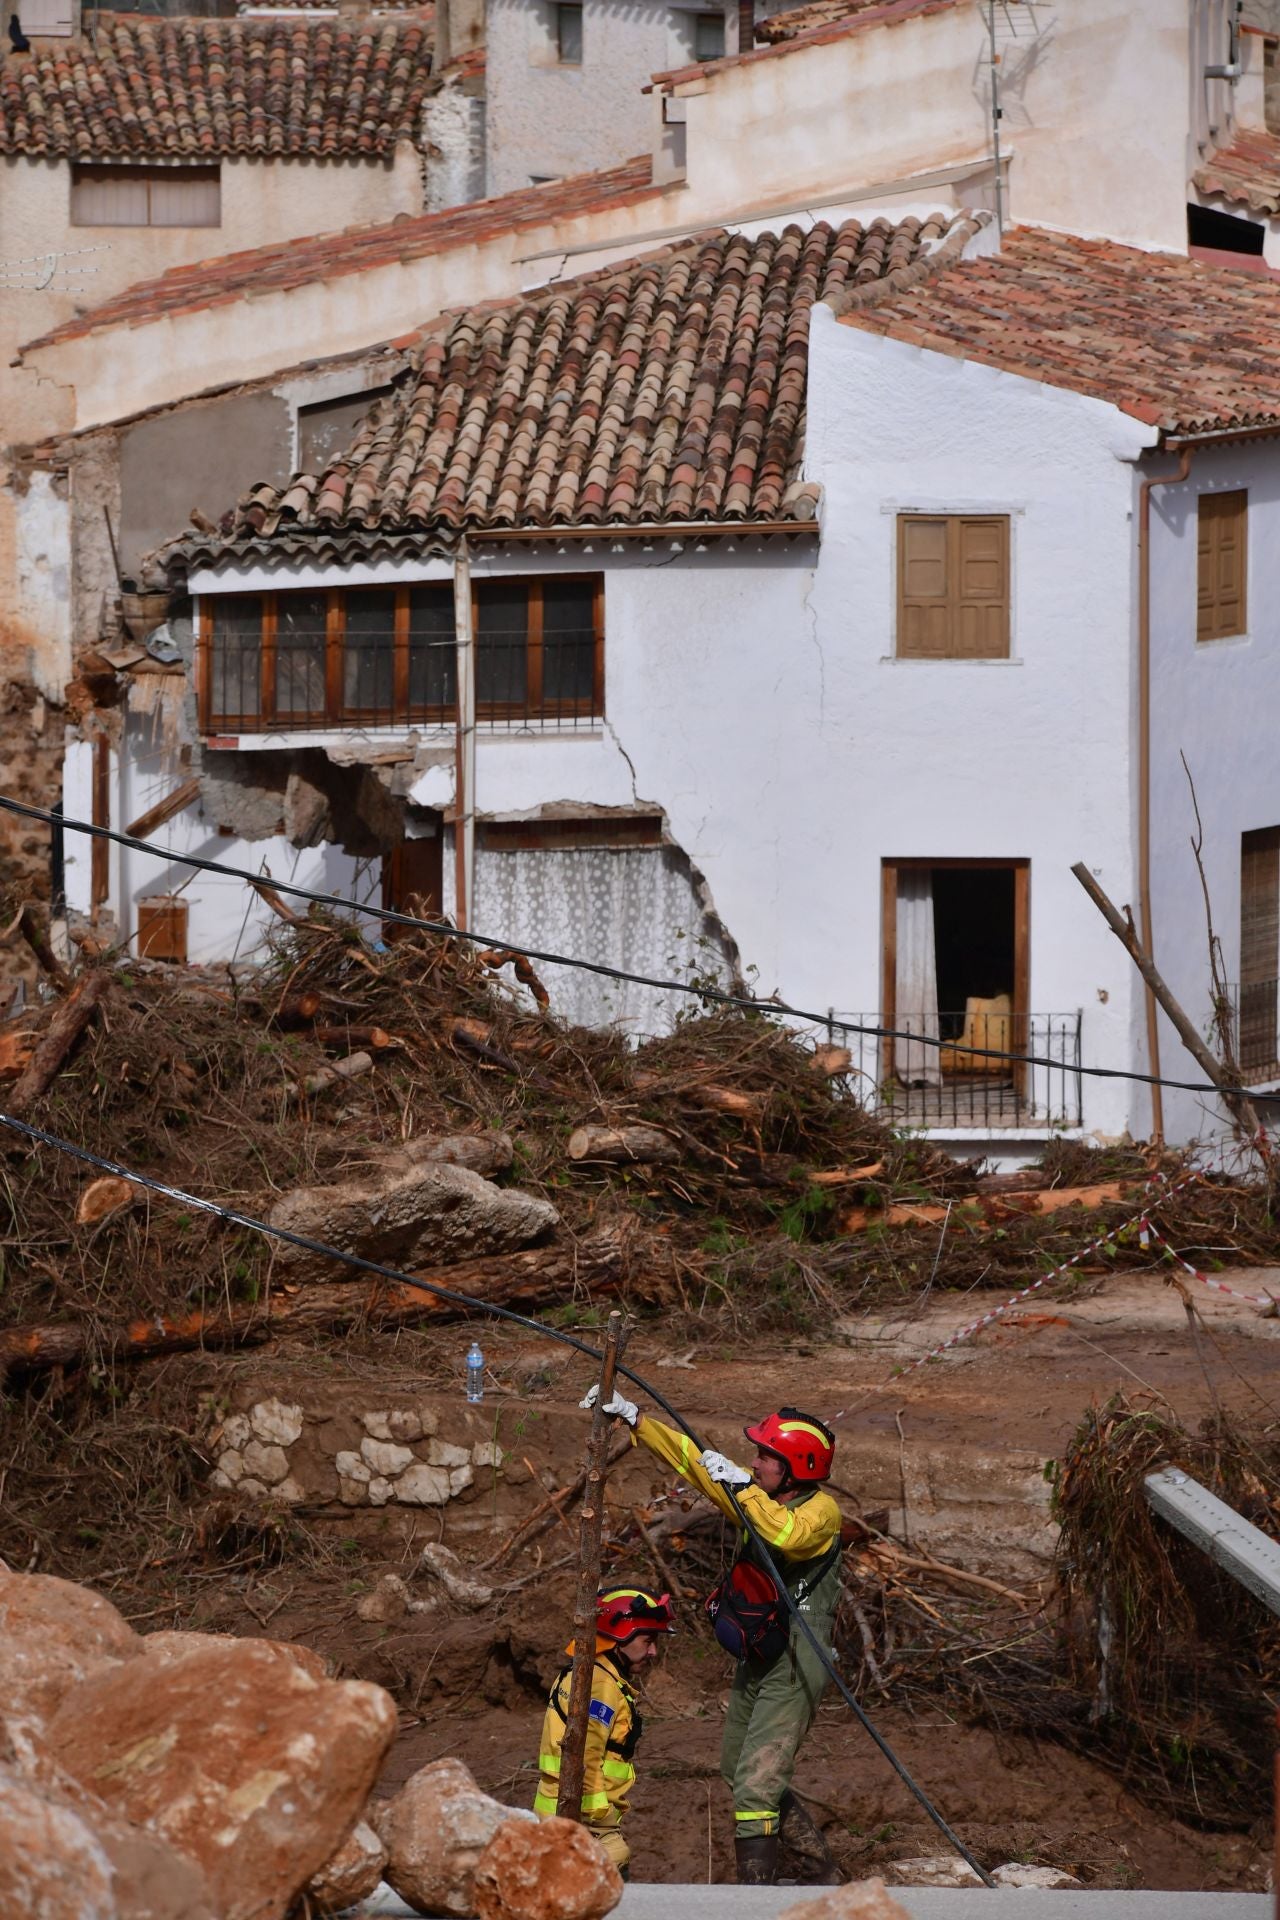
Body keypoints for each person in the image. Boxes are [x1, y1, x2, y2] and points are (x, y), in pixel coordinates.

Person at [583, 1388, 843, 1887]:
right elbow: (696, 1463)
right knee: (735, 1767)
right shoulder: (757, 1496)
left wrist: (741, 1487)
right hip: (763, 1652)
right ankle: (816, 1870)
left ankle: (758, 1896)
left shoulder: (821, 1511)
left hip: (798, 1656)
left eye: (766, 1455)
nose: (755, 1462)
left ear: (795, 1467)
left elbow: (786, 1535)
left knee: (755, 1787)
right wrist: (638, 1421)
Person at [534, 1583, 675, 1875]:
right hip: (582, 1818)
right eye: (648, 1641)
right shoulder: (598, 1687)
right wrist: (599, 1818)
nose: (653, 1651)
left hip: (564, 1815)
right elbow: (582, 1758)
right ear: (619, 1635)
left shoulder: (598, 1677)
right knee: (614, 1858)